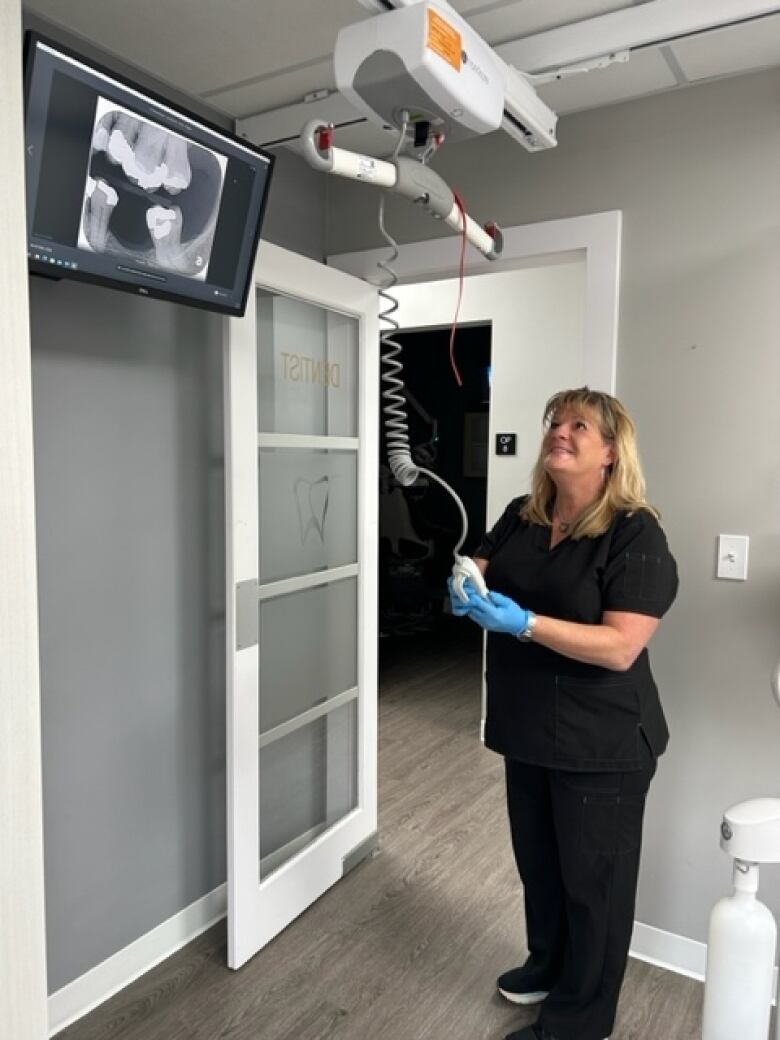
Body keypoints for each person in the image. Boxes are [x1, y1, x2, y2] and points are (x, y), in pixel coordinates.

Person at [449, 387, 678, 1040]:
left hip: (600, 742)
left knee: (592, 889)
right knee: (542, 870)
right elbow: (481, 564)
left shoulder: (636, 531)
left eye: (580, 425)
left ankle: (580, 1021)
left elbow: (621, 646)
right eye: (555, 421)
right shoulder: (524, 514)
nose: (561, 431)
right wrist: (464, 577)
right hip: (529, 732)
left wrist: (523, 624)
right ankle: (547, 966)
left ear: (610, 452)